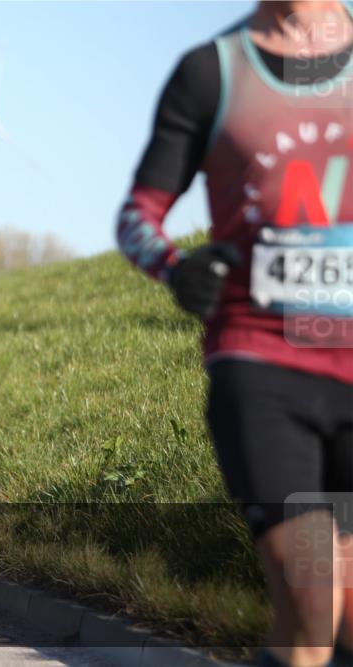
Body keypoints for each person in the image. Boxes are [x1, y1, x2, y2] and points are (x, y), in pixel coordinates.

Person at [117, 3, 352, 665]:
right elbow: (137, 217)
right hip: (263, 366)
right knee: (313, 604)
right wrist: (176, 268)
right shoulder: (211, 72)